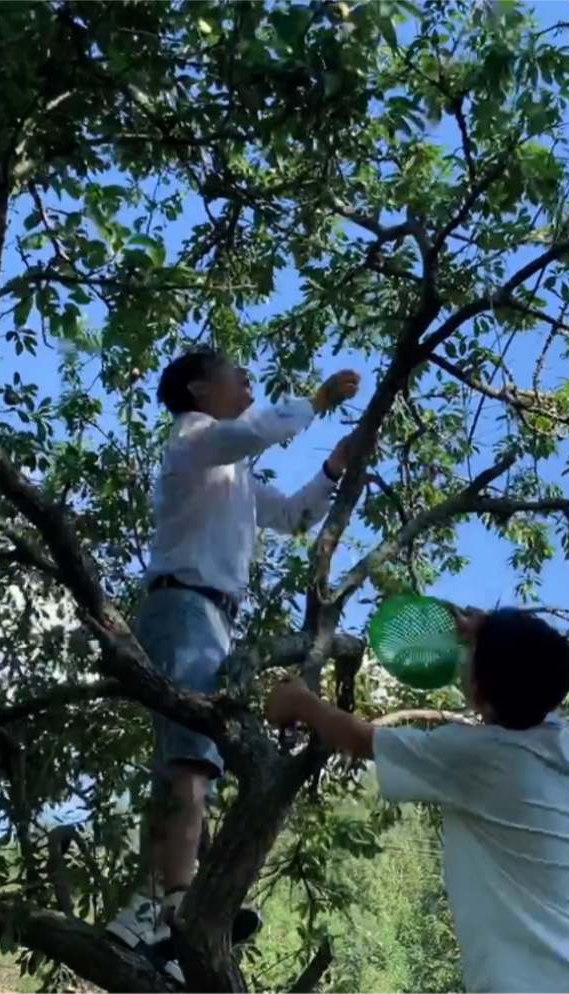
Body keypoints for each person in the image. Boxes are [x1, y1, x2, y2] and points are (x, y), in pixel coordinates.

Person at [105, 348, 361, 980]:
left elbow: (295, 517)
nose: (248, 381)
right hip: (184, 608)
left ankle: (154, 912)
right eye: (236, 374)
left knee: (188, 763)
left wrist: (334, 466)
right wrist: (319, 403)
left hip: (211, 617)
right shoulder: (193, 441)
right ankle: (172, 904)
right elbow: (253, 430)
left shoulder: (234, 475)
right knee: (192, 759)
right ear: (199, 389)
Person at [265, 607, 569, 994]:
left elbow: (362, 740)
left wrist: (301, 703)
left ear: (478, 693)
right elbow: (537, 669)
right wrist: (494, 633)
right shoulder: (567, 742)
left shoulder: (481, 757)